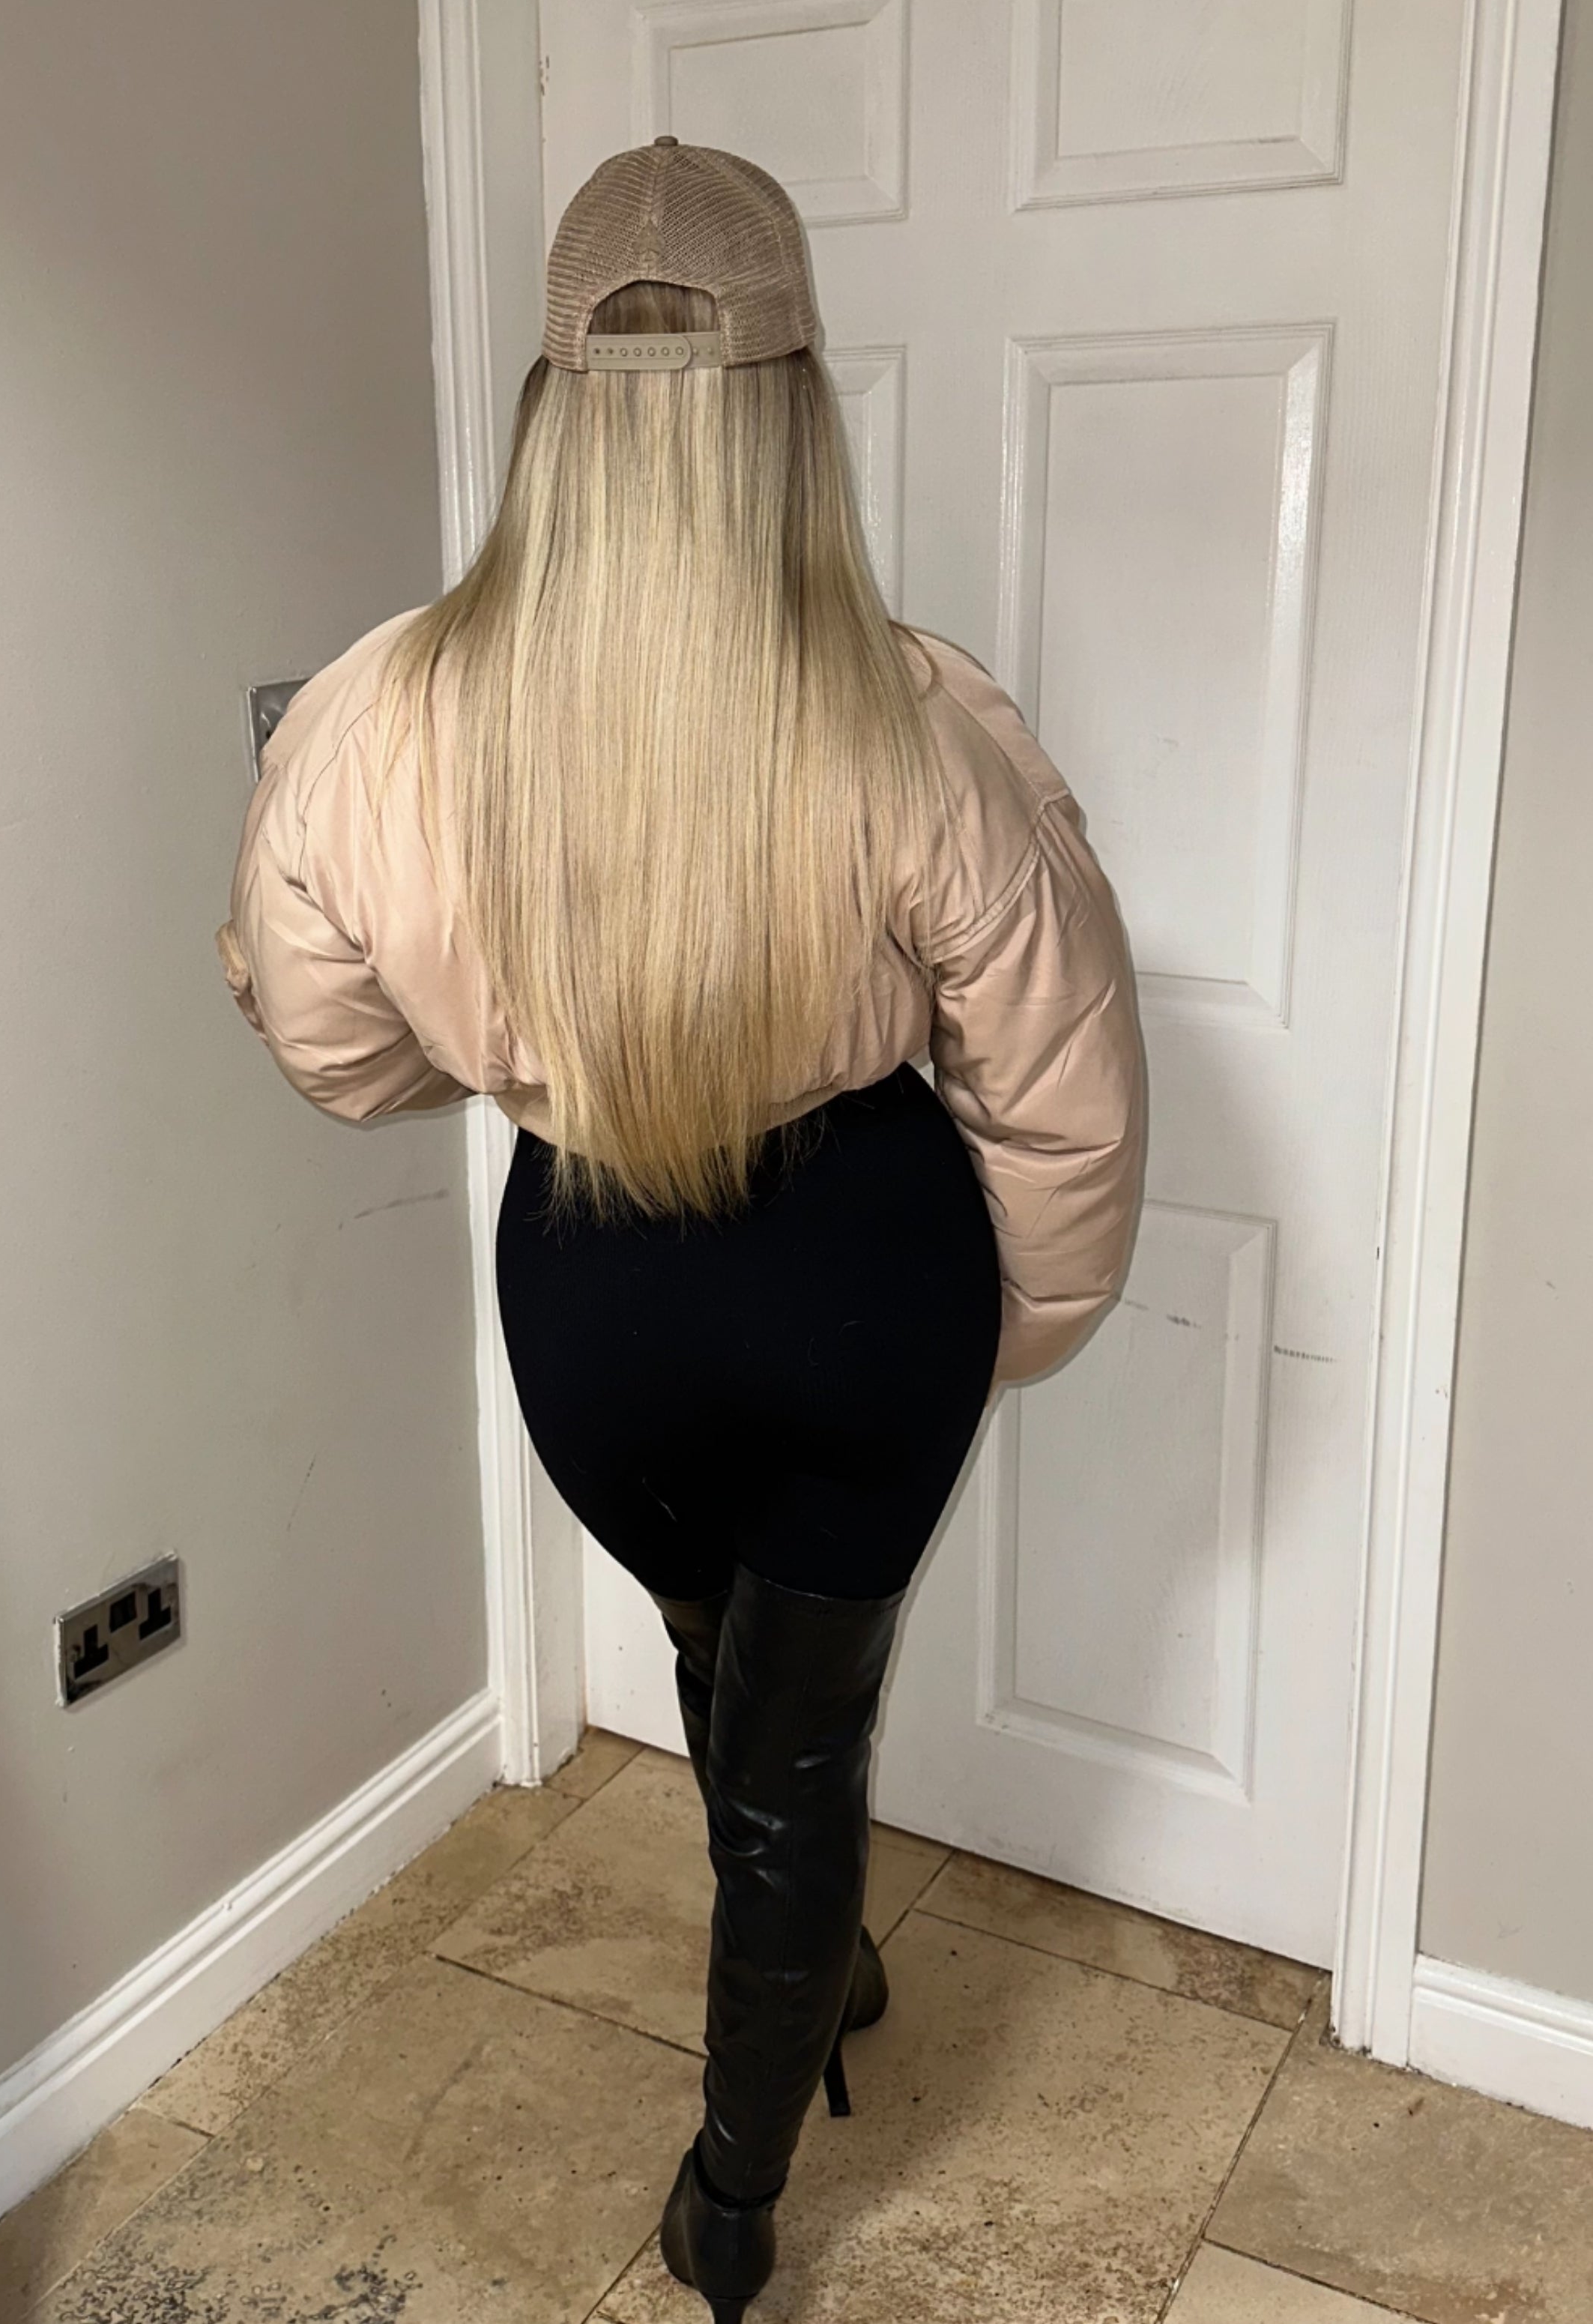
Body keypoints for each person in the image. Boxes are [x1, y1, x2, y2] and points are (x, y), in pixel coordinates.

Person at [217, 136, 1144, 2321]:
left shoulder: (372, 716)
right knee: (798, 1744)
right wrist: (1026, 1319)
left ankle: (799, 1981)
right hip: (859, 1286)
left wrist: (519, 1045)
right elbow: (1061, 1078)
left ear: (554, 404)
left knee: (725, 1668)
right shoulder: (915, 714)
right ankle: (734, 2190)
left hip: (599, 1299)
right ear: (794, 410)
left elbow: (335, 1048)